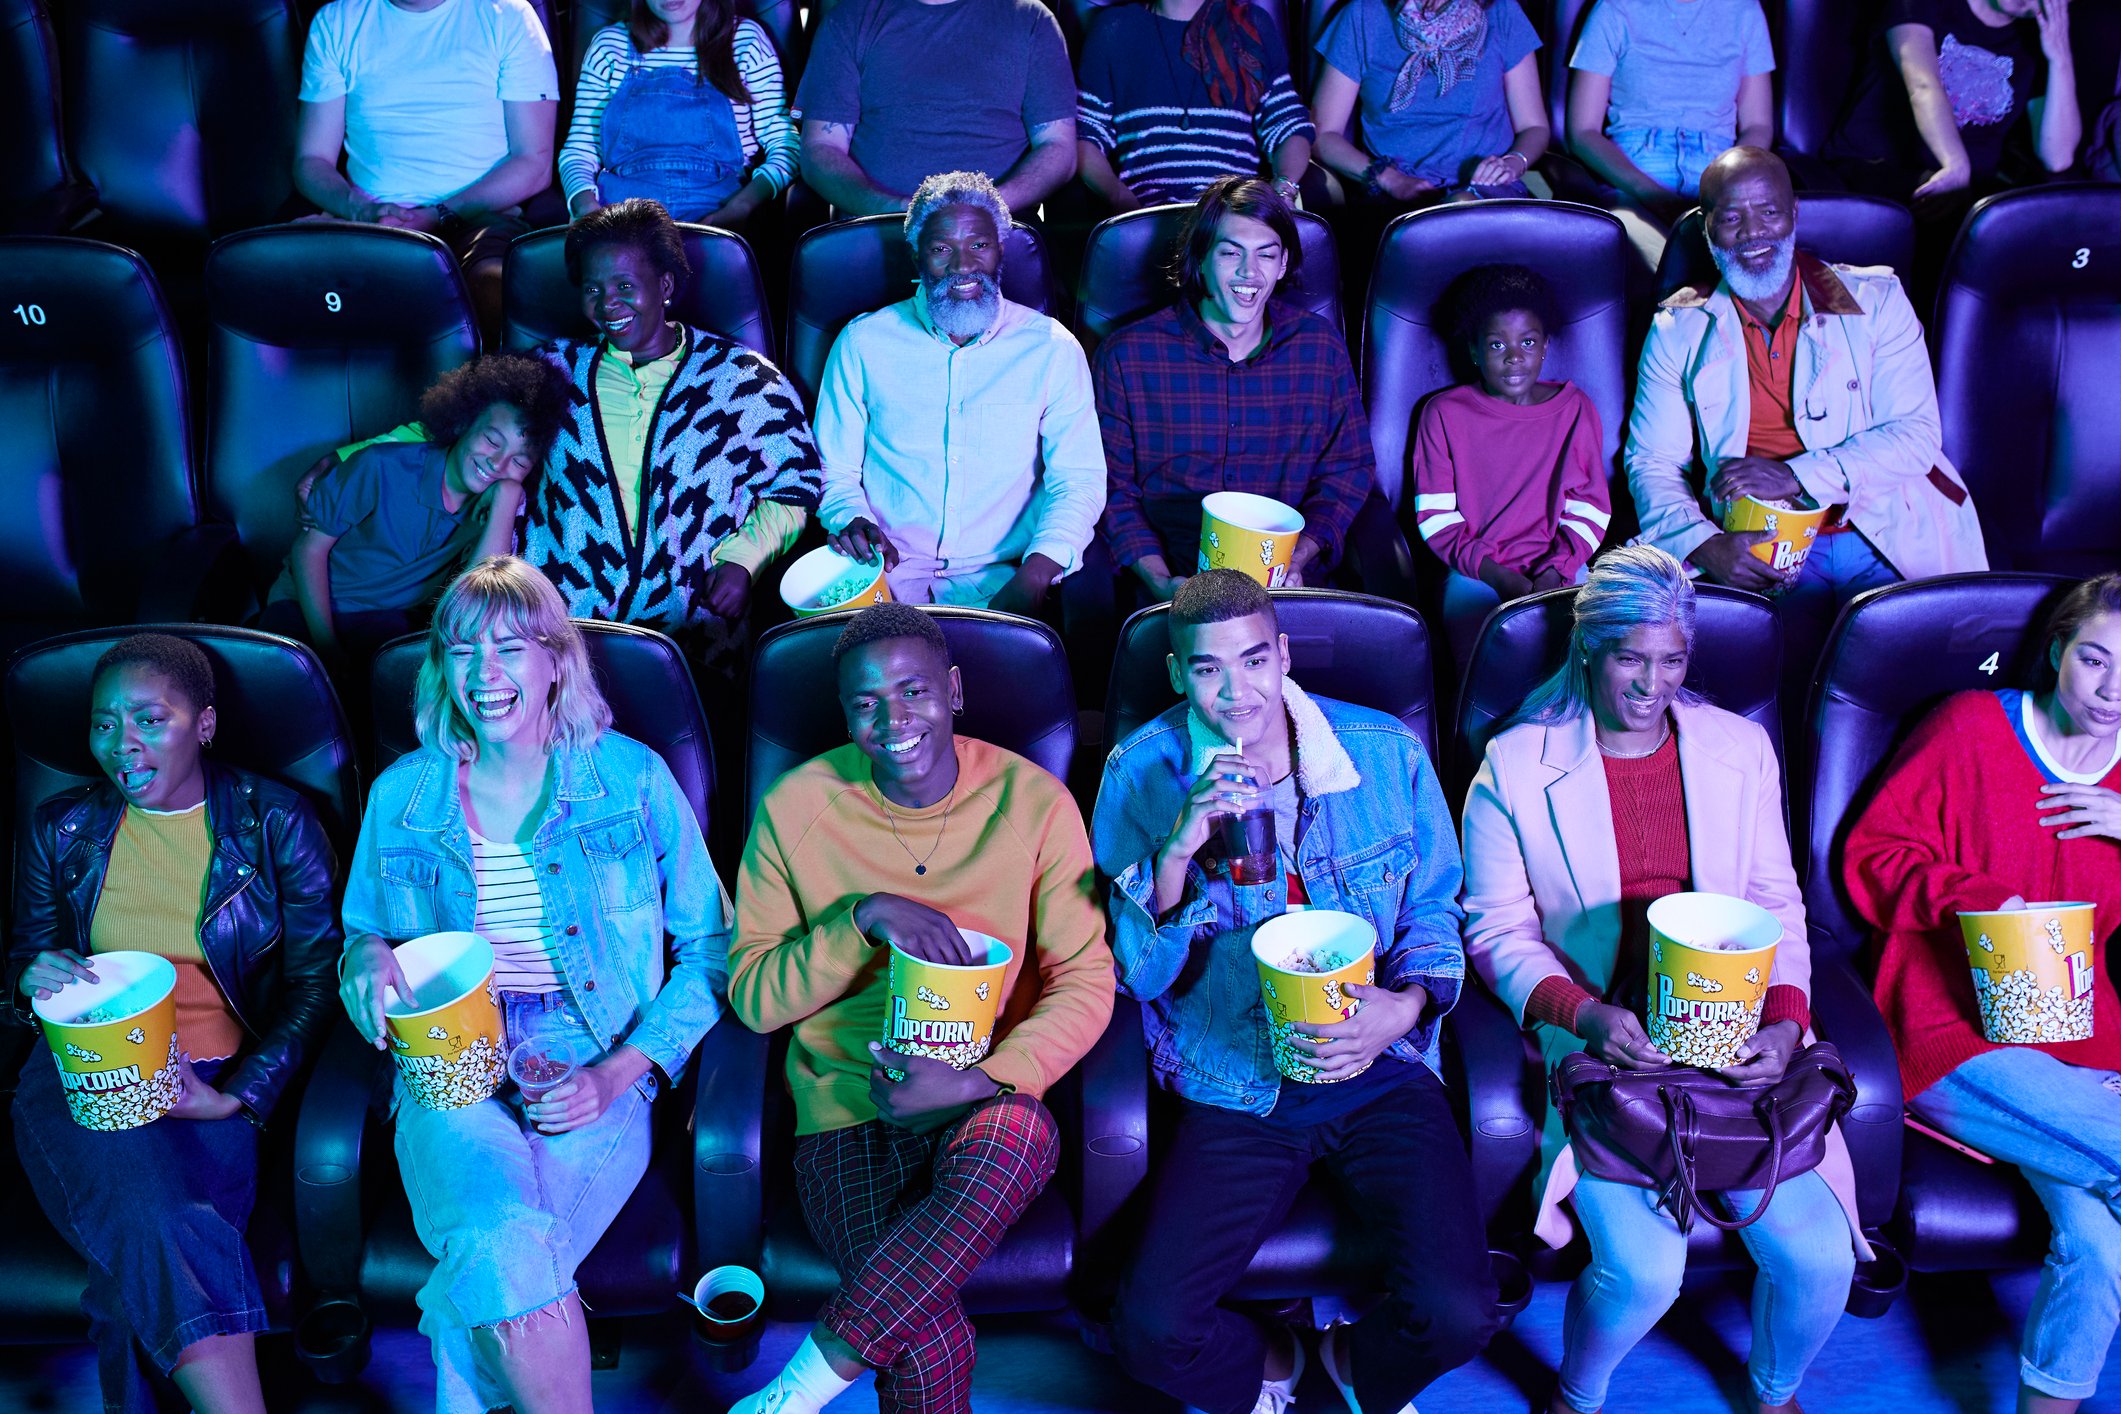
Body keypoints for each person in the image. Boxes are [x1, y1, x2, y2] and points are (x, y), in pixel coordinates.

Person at [1459, 547, 1861, 1414]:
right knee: (1646, 1272)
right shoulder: (1518, 763)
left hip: (1737, 1033)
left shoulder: (1739, 747)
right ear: (1589, 650)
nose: (1651, 682)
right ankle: (1578, 1391)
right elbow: (1495, 927)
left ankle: (1774, 1389)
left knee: (1821, 1258)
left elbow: (1771, 898)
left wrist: (1787, 1022)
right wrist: (1583, 1013)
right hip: (1610, 1048)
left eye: (1672, 658)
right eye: (1629, 657)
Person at [1093, 569, 1496, 1414]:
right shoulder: (1139, 770)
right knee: (1149, 1333)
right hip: (1238, 1077)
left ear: (1281, 656)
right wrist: (1172, 855)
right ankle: (1276, 1358)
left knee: (1459, 1315)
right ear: (1177, 674)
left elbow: (1432, 908)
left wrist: (1407, 1007)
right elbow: (1137, 976)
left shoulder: (1385, 751)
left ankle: (1349, 1363)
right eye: (1207, 669)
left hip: (1376, 1062)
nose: (1234, 691)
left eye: (1251, 662)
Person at [336, 557, 728, 1414]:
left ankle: (461, 1389)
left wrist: (619, 1074)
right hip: (447, 1057)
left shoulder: (631, 780)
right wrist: (362, 960)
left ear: (558, 659)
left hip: (593, 1053)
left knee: (492, 1261)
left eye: (510, 648)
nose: (483, 674)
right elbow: (362, 930)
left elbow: (710, 952)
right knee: (509, 1246)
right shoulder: (402, 795)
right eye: (461, 650)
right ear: (438, 667)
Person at [726, 602, 1113, 1414]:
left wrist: (980, 1081)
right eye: (865, 703)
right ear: (844, 713)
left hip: (976, 1106)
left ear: (955, 690)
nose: (892, 719)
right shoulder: (795, 809)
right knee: (930, 1340)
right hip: (846, 1113)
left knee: (1022, 1132)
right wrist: (859, 917)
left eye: (913, 692)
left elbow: (1083, 977)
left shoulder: (1033, 802)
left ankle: (801, 1386)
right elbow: (756, 1000)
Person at [9, 634, 340, 1414]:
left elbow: (316, 980)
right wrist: (33, 977)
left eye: (149, 720)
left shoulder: (276, 822)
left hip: (215, 1072)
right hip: (83, 1066)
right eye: (103, 723)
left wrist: (240, 1096)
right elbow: (26, 962)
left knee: (133, 1268)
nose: (121, 746)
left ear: (205, 724)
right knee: (155, 1211)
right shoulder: (58, 830)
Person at [1845, 572, 2121, 1414]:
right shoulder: (1969, 727)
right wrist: (1972, 898)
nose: (2111, 692)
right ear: (2055, 652)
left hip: (2084, 1047)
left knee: (2102, 1250)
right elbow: (1870, 857)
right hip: (1949, 1031)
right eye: (2094, 661)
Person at [1624, 145, 1985, 709]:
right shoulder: (1678, 329)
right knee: (1768, 699)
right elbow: (1652, 460)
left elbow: (1916, 434)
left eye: (1768, 211)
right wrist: (1704, 542)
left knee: (1917, 696)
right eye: (1731, 216)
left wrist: (1792, 475)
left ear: (1794, 215)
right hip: (1759, 543)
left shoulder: (1878, 301)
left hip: (1885, 523)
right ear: (1708, 227)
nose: (1752, 232)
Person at [526, 198, 823, 665]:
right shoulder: (550, 370)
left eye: (625, 285)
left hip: (693, 630)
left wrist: (743, 560)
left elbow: (796, 485)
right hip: (558, 633)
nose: (608, 304)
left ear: (664, 285)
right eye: (592, 289)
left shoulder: (742, 380)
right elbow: (463, 439)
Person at [818, 171, 1105, 615]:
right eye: (940, 249)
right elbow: (833, 471)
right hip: (882, 579)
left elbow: (1079, 480)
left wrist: (1036, 574)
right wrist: (850, 519)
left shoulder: (1052, 348)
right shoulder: (862, 343)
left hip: (1007, 578)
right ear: (916, 256)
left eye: (979, 245)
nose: (963, 265)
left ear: (1000, 250)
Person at [1093, 177, 1374, 605]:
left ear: (1283, 266)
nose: (1250, 273)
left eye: (1267, 255)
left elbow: (1348, 470)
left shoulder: (1318, 348)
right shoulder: (1128, 355)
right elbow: (1113, 490)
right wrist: (1159, 581)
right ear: (1201, 259)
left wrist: (1299, 558)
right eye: (1230, 253)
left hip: (1287, 588)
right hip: (1171, 587)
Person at [267, 353, 570, 674]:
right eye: (491, 440)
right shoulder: (381, 466)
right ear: (465, 422)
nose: (498, 463)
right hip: (306, 606)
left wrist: (508, 496)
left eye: (519, 461)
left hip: (387, 622)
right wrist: (327, 648)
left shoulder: (495, 507)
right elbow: (308, 550)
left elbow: (478, 596)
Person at [294, 0, 561, 336]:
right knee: (286, 288)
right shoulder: (338, 20)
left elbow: (534, 162)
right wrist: (358, 209)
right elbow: (311, 160)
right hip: (369, 220)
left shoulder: (507, 15)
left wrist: (440, 215)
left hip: (479, 218)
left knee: (492, 290)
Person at [1412, 263, 1610, 667]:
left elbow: (1589, 508)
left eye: (1529, 342)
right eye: (1498, 345)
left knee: (1588, 664)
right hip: (1476, 572)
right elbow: (1436, 518)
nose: (1515, 358)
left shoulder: (1575, 409)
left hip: (1563, 568)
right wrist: (1500, 577)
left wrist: (1556, 572)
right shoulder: (1444, 413)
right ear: (1474, 350)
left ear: (1545, 346)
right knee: (1488, 668)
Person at [793, 0, 1077, 216]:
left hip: (999, 232)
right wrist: (901, 210)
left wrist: (986, 209)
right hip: (878, 227)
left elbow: (1058, 146)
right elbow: (821, 149)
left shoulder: (1031, 18)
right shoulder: (848, 18)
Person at [559, 0, 800, 226]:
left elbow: (786, 145)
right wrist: (585, 207)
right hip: (624, 213)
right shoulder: (611, 45)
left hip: (719, 210)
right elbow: (580, 149)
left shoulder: (745, 40)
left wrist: (744, 204)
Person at [1827, 0, 2080, 216]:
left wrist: (2060, 59)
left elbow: (2057, 157)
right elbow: (1923, 85)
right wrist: (1956, 166)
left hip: (1972, 191)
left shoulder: (2035, 37)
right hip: (1878, 167)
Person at [1076, 0, 1315, 209]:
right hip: (1146, 211)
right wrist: (1118, 197)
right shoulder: (1114, 28)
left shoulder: (1249, 25)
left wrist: (1283, 189)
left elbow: (1289, 127)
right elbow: (1086, 136)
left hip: (1234, 214)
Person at [1311, 0, 1548, 204]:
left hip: (1489, 191)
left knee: (1463, 208)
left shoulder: (1502, 11)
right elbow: (1322, 136)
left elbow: (1534, 127)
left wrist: (1512, 164)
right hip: (1394, 193)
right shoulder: (1363, 14)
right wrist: (1390, 179)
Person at [1564, 0, 1776, 219]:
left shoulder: (1744, 9)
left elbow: (1757, 125)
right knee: (1649, 247)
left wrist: (1728, 182)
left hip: (1719, 165)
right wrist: (1646, 191)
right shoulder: (1615, 8)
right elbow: (1582, 132)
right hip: (1636, 165)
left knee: (1739, 243)